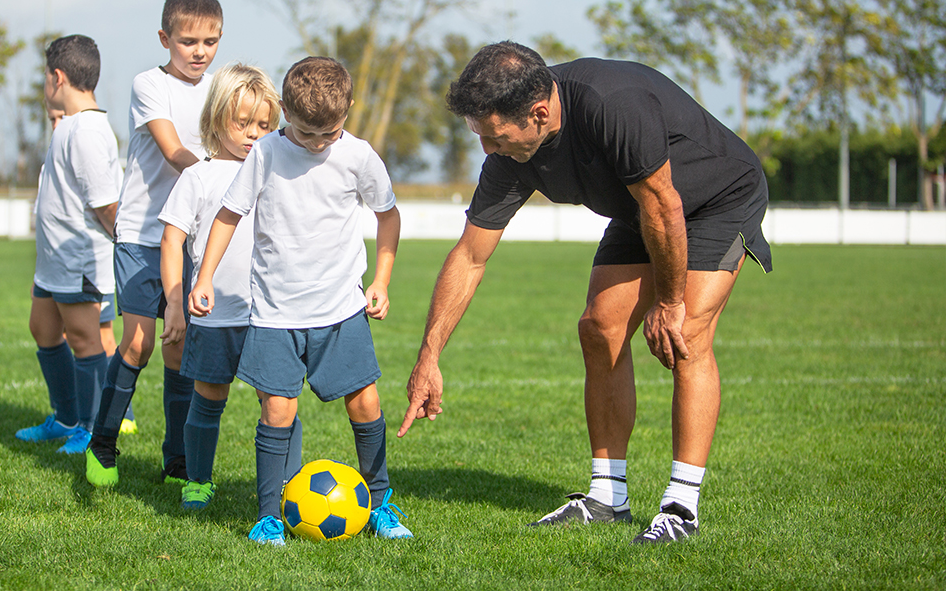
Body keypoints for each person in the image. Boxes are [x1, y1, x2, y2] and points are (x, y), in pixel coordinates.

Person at [398, 42, 772, 545]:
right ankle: (606, 497)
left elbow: (664, 204)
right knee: (599, 327)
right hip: (643, 207)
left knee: (686, 333)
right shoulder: (512, 153)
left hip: (712, 200)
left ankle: (682, 506)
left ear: (539, 113)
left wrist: (668, 301)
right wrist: (429, 354)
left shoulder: (614, 105)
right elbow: (470, 255)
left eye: (494, 136)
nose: (488, 150)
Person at [189, 56, 412, 546]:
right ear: (285, 110)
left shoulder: (358, 156)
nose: (316, 144)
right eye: (306, 133)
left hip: (341, 310)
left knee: (366, 400)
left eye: (328, 133)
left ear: (348, 112)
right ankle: (270, 516)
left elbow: (388, 217)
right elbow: (228, 215)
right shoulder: (265, 153)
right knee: (277, 411)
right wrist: (204, 277)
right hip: (274, 314)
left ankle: (381, 503)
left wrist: (382, 280)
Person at [86, 0, 222, 487]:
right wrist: (216, 174)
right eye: (188, 41)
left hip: (193, 239)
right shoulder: (150, 84)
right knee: (140, 343)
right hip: (143, 232)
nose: (200, 51)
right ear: (165, 38)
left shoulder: (220, 88)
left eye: (211, 41)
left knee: (180, 348)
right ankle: (102, 444)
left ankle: (177, 458)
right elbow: (173, 149)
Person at [156, 63, 302, 509]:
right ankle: (197, 479)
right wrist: (176, 304)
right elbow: (172, 240)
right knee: (208, 396)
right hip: (215, 315)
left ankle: (288, 486)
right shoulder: (198, 177)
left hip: (270, 315)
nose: (254, 133)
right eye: (243, 123)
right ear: (217, 117)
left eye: (264, 124)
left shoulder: (277, 172)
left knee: (278, 401)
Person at [15, 35, 123, 455]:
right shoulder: (71, 126)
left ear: (57, 77)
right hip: (53, 262)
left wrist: (123, 245)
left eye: (45, 75)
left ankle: (92, 429)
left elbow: (107, 205)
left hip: (79, 259)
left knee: (85, 340)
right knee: (42, 329)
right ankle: (64, 417)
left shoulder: (89, 130)